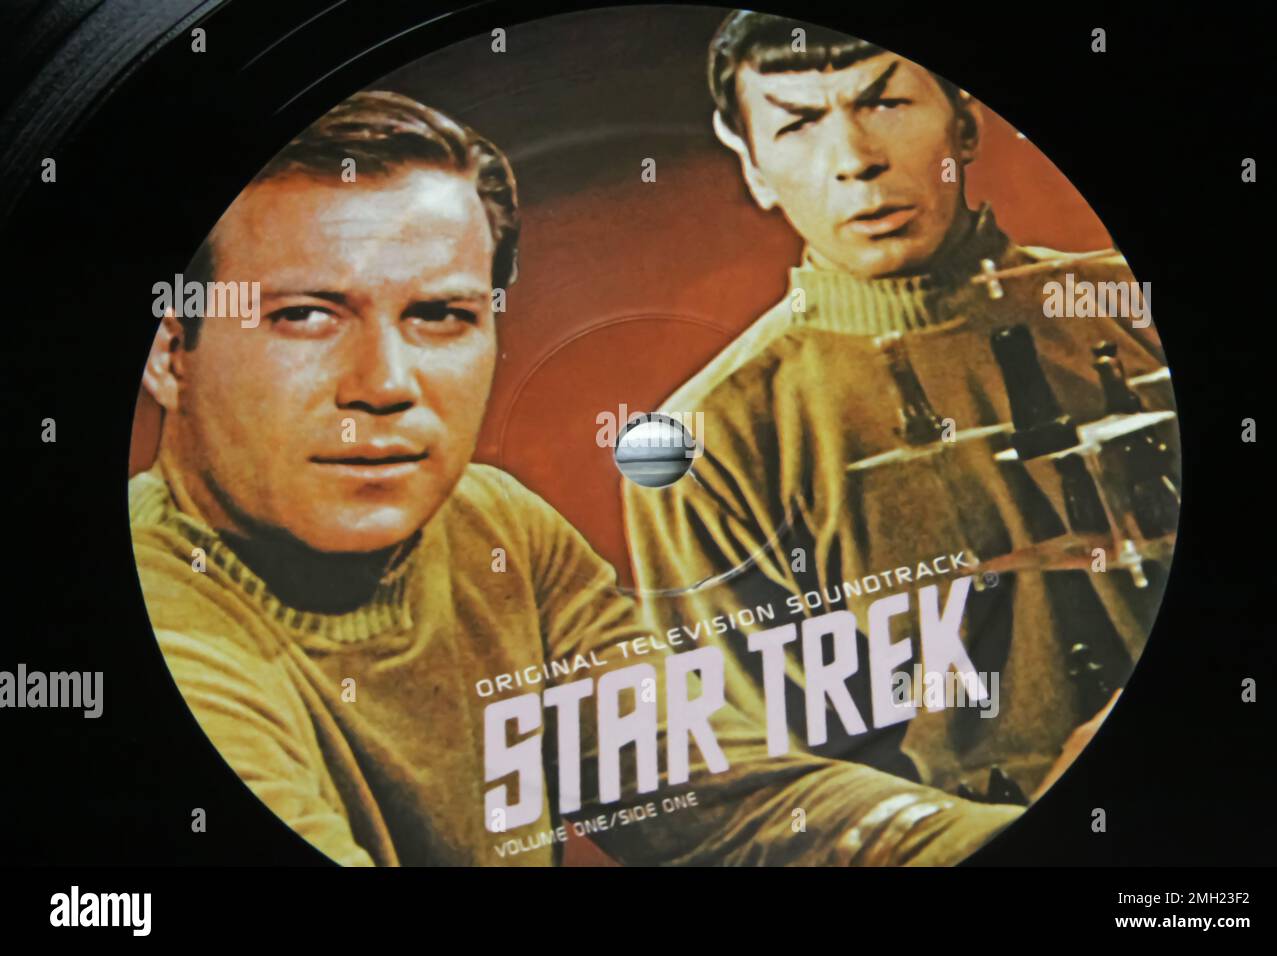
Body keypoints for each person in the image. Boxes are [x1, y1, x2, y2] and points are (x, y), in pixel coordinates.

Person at [130, 90, 1027, 866]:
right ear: (172, 352)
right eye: (305, 316)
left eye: (440, 314)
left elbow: (733, 798)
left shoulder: (494, 528)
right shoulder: (170, 631)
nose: (386, 383)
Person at [622, 12, 1174, 803]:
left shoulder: (1130, 305)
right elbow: (779, 797)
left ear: (966, 125)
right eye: (798, 124)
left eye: (885, 103)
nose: (855, 160)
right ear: (751, 165)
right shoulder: (703, 444)